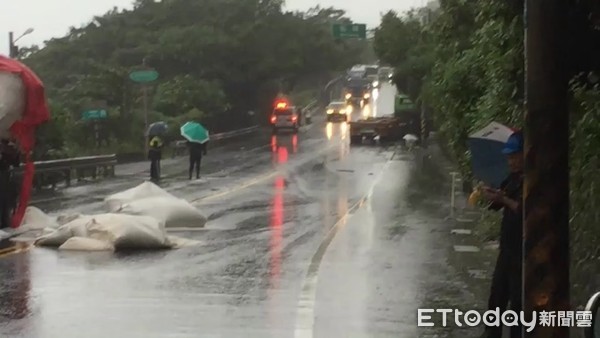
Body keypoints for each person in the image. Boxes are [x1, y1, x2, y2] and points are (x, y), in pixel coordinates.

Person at [480, 131, 524, 338]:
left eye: (515, 156)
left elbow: (526, 211)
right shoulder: (512, 179)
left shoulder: (533, 180)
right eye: (509, 157)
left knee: (518, 301)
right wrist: (491, 196)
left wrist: (504, 200)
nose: (511, 161)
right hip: (506, 248)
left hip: (523, 252)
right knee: (497, 296)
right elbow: (498, 203)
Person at [0, 139, 20, 229]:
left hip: (5, 177)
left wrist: (15, 150)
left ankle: (5, 223)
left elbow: (15, 163)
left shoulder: (7, 144)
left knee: (6, 202)